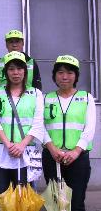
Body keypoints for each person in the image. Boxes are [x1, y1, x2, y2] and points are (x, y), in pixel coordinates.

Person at [42, 55, 96, 211]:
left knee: (76, 202)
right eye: (60, 72)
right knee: (55, 203)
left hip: (78, 159)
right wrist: (52, 149)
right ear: (54, 75)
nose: (65, 76)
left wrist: (76, 151)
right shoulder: (46, 98)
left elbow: (89, 128)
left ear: (76, 76)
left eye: (70, 72)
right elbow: (41, 127)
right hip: (52, 157)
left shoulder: (86, 98)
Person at [0, 51, 44, 195]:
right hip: (1, 151)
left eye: (19, 68)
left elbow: (37, 124)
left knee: (24, 198)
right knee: (3, 197)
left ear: (25, 71)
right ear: (6, 72)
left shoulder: (36, 94)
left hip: (26, 152)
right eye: (11, 69)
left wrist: (21, 145)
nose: (16, 72)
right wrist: (9, 145)